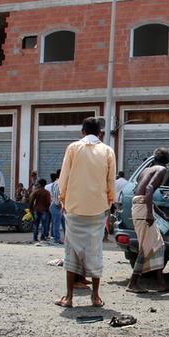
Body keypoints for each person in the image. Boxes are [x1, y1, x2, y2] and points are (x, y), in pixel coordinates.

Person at [54, 117, 116, 308]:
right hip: (98, 209)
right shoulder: (107, 151)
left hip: (74, 207)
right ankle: (95, 297)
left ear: (82, 132)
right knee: (95, 250)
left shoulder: (73, 148)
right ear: (100, 133)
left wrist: (62, 198)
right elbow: (110, 180)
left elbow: (63, 176)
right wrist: (110, 201)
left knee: (71, 251)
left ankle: (69, 297)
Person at [126, 148, 169, 293]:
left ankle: (160, 283)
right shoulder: (162, 170)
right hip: (142, 209)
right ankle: (133, 283)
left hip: (139, 205)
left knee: (157, 244)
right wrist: (149, 214)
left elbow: (140, 192)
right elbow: (150, 188)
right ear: (167, 161)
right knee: (147, 247)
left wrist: (160, 213)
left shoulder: (146, 170)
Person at [45, 172, 62, 243]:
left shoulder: (54, 183)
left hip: (53, 205)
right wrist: (59, 204)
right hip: (56, 205)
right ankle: (57, 239)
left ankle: (55, 237)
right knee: (57, 223)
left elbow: (52, 195)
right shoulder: (59, 183)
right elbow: (56, 195)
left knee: (55, 223)